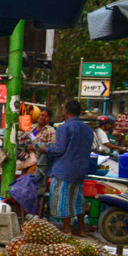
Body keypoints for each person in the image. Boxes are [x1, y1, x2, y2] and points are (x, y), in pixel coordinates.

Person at [45, 100, 95, 236]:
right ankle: (81, 229)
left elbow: (59, 149)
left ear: (66, 112)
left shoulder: (64, 128)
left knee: (63, 200)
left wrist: (46, 149)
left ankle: (67, 229)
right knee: (77, 200)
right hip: (80, 169)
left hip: (64, 169)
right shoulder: (88, 130)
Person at [29, 108, 57, 199]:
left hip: (39, 162)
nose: (43, 118)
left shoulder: (50, 131)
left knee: (36, 186)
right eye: (42, 115)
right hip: (27, 161)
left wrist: (35, 147)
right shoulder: (31, 127)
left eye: (46, 116)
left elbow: (51, 146)